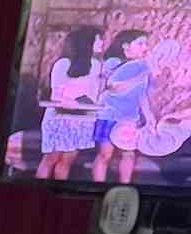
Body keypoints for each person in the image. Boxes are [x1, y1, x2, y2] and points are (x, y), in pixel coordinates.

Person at [35, 26, 100, 180]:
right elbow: (56, 94)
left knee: (67, 161)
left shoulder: (96, 65)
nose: (102, 43)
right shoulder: (63, 64)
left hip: (82, 120)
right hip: (60, 118)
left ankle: (59, 187)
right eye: (98, 40)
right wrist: (71, 102)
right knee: (51, 159)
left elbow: (93, 93)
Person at [91, 31, 155, 186]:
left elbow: (141, 95)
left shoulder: (142, 66)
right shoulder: (114, 62)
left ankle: (124, 187)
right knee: (105, 154)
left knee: (129, 154)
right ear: (126, 46)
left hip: (130, 118)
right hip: (110, 116)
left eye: (146, 43)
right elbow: (114, 87)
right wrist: (139, 77)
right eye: (140, 43)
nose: (145, 47)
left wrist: (149, 116)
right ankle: (98, 187)